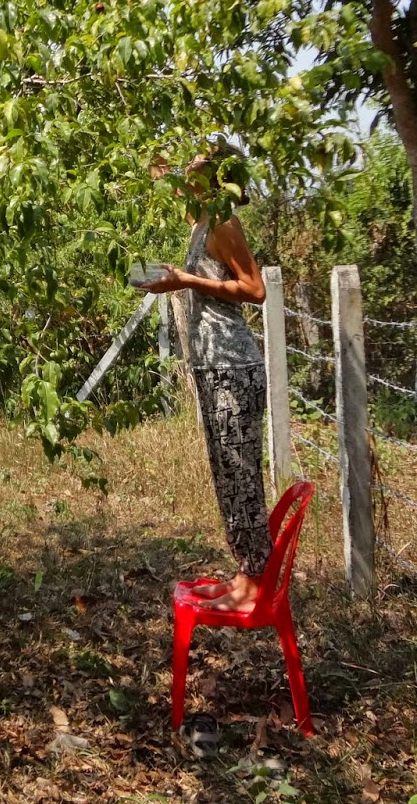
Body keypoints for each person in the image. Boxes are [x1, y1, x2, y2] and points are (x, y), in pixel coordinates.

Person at [137, 143, 270, 612]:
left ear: (214, 178)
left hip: (233, 365)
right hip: (213, 365)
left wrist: (187, 282)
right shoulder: (199, 222)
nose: (185, 169)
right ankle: (245, 573)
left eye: (196, 164)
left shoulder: (222, 224)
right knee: (228, 476)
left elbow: (256, 290)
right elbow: (159, 172)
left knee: (241, 473)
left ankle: (255, 583)